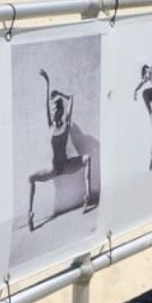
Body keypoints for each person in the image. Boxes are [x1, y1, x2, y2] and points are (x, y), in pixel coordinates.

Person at [27, 70, 95, 230]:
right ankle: (30, 214)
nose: (53, 112)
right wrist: (47, 82)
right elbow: (45, 104)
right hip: (54, 169)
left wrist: (60, 93)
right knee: (31, 179)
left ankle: (87, 197)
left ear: (60, 111)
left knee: (87, 159)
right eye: (52, 110)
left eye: (55, 110)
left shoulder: (66, 124)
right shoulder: (50, 126)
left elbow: (71, 98)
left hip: (66, 165)